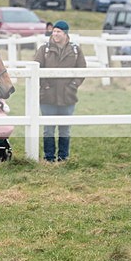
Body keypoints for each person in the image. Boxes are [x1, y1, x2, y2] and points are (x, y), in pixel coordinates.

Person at [33, 20, 86, 162]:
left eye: (58, 31)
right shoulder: (44, 49)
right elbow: (36, 68)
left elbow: (82, 70)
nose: (55, 34)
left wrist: (73, 85)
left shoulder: (75, 50)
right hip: (47, 96)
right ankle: (49, 158)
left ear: (65, 33)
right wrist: (45, 85)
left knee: (65, 129)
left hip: (68, 96)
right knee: (48, 129)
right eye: (54, 31)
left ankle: (63, 157)